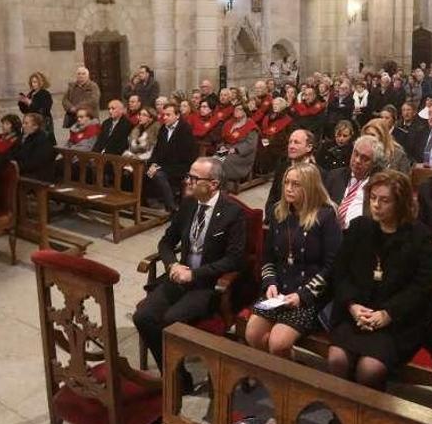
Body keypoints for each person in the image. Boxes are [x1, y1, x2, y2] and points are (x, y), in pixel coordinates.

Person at [133, 157, 247, 373]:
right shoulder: (188, 204)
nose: (188, 182)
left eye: (194, 178)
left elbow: (234, 259)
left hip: (206, 284)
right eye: (188, 176)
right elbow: (166, 242)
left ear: (213, 184)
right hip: (179, 275)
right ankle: (176, 377)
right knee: (143, 317)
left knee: (169, 321)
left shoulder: (233, 213)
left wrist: (195, 275)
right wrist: (172, 265)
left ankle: (175, 381)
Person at [327, 170, 432, 390]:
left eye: (384, 200)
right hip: (356, 314)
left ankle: (367, 420)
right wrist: (352, 305)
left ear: (400, 203)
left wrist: (387, 314)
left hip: (395, 322)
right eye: (373, 198)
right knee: (337, 359)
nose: (376, 205)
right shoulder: (360, 227)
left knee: (370, 369)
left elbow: (421, 287)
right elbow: (340, 272)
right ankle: (341, 417)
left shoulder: (419, 236)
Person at [245, 163, 341, 357]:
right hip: (279, 292)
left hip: (308, 296)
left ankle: (286, 380)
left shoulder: (326, 216)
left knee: (278, 343)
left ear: (310, 187)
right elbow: (268, 257)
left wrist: (303, 295)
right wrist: (270, 283)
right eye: (286, 182)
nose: (288, 188)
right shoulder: (278, 212)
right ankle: (281, 373)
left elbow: (331, 266)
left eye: (296, 184)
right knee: (253, 334)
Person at [146, 103, 197, 212]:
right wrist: (153, 164)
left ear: (177, 115)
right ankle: (149, 202)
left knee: (158, 174)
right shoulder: (163, 129)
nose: (164, 118)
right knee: (144, 170)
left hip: (181, 166)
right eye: (164, 115)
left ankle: (172, 207)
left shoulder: (185, 129)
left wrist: (159, 167)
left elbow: (183, 155)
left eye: (168, 115)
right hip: (165, 164)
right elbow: (157, 150)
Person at [324, 135, 379, 229]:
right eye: (356, 154)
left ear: (374, 164)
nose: (357, 160)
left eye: (365, 158)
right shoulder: (335, 176)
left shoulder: (377, 186)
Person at [266, 129, 319, 213]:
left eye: (296, 142)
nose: (291, 146)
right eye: (290, 142)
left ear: (309, 147)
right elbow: (272, 198)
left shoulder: (319, 173)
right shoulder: (282, 167)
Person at [217, 103, 259, 181]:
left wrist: (235, 149)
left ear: (245, 111)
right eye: (235, 109)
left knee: (225, 160)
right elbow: (222, 139)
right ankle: (215, 180)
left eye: (239, 109)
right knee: (215, 159)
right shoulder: (229, 123)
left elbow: (250, 145)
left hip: (242, 155)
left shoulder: (251, 126)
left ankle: (224, 182)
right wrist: (222, 146)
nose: (236, 111)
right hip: (226, 149)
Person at [10, 113, 56, 183]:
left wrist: (16, 167)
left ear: (35, 126)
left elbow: (35, 163)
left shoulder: (43, 139)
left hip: (38, 175)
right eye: (23, 123)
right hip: (22, 169)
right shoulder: (23, 137)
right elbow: (12, 152)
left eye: (26, 123)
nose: (23, 126)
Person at [259, 97, 295, 173]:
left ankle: (268, 171)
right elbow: (264, 130)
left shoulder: (287, 120)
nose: (275, 106)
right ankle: (259, 171)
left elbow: (288, 135)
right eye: (274, 104)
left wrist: (272, 140)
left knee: (268, 149)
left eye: (277, 104)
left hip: (280, 144)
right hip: (266, 140)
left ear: (282, 106)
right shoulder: (268, 117)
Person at [17, 72, 54, 136]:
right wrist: (22, 103)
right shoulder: (31, 93)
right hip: (30, 122)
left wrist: (30, 103)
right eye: (32, 82)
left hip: (42, 123)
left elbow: (44, 110)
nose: (33, 84)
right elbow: (25, 111)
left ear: (41, 83)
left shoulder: (45, 94)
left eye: (35, 82)